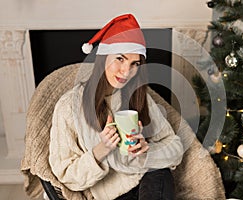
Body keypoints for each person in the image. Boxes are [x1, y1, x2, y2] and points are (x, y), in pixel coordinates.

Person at [49, 14, 184, 200]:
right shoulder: (68, 107)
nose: (126, 71)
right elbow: (65, 175)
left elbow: (175, 147)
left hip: (150, 177)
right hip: (112, 193)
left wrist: (147, 152)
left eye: (134, 63)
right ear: (103, 57)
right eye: (120, 59)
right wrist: (101, 150)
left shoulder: (138, 96)